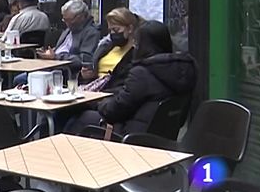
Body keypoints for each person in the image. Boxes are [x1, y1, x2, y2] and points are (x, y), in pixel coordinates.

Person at [65, 21, 197, 136]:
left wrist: (98, 103)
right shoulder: (184, 69)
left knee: (78, 118)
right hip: (162, 134)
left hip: (131, 135)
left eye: (137, 42)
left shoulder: (143, 72)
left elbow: (115, 110)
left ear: (143, 45)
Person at [79, 8, 142, 90]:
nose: (112, 33)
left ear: (130, 29)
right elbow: (94, 72)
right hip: (95, 87)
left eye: (116, 30)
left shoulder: (137, 53)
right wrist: (87, 75)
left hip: (112, 91)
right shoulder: (106, 47)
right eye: (110, 30)